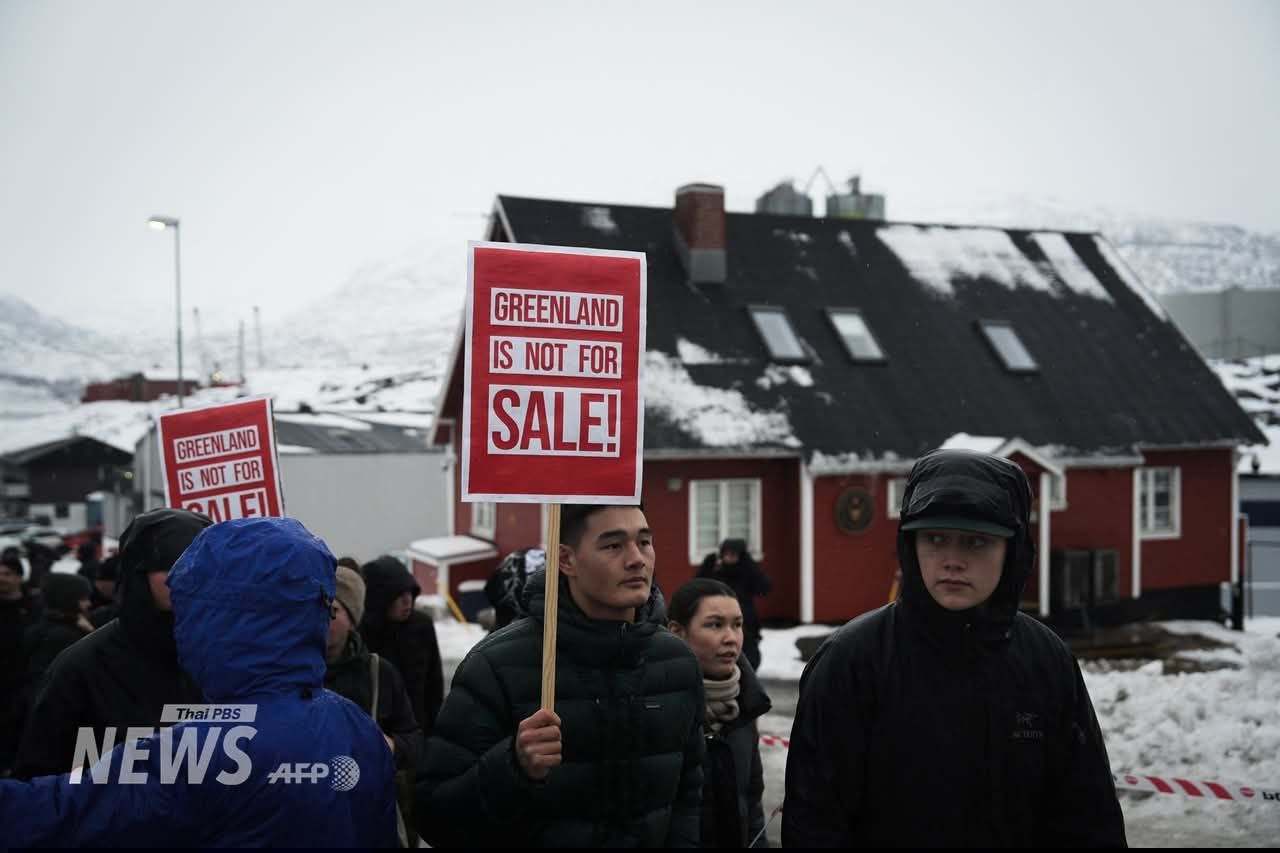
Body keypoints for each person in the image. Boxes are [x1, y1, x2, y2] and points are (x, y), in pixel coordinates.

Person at [783, 448, 1128, 847]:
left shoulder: (1046, 661)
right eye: (935, 538)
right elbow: (816, 823)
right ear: (910, 544)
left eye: (975, 542)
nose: (952, 561)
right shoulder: (852, 663)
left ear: (1012, 550)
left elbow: (1087, 817)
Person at [0, 516, 398, 847]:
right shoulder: (356, 726)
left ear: (215, 621)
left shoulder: (204, 750)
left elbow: (59, 813)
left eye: (189, 609)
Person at [415, 503, 706, 847]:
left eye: (644, 542)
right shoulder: (495, 665)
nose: (636, 559)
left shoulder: (677, 662)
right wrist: (512, 767)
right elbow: (435, 817)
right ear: (566, 560)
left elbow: (689, 800)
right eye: (614, 545)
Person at [11, 507, 211, 779]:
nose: (186, 574)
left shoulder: (234, 659)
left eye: (200, 563)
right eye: (170, 563)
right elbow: (38, 780)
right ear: (139, 571)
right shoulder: (81, 668)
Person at [668, 578, 772, 848]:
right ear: (677, 632)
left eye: (737, 625)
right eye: (715, 625)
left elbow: (751, 805)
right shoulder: (657, 706)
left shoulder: (745, 705)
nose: (731, 638)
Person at [326, 563, 425, 845]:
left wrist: (391, 746)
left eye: (333, 610)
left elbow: (414, 741)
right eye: (315, 608)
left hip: (366, 816)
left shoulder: (379, 673)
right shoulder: (290, 674)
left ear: (352, 619)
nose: (322, 618)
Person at [360, 555, 444, 737]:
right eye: (398, 595)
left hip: (418, 733)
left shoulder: (421, 627)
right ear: (380, 598)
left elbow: (434, 686)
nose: (407, 600)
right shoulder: (362, 634)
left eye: (410, 592)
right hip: (373, 734)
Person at [698, 538, 772, 670]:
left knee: (748, 656)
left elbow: (765, 588)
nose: (728, 558)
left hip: (744, 621)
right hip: (718, 618)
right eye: (726, 554)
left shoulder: (747, 570)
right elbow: (698, 585)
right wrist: (709, 565)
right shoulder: (716, 570)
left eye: (733, 554)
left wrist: (751, 567)